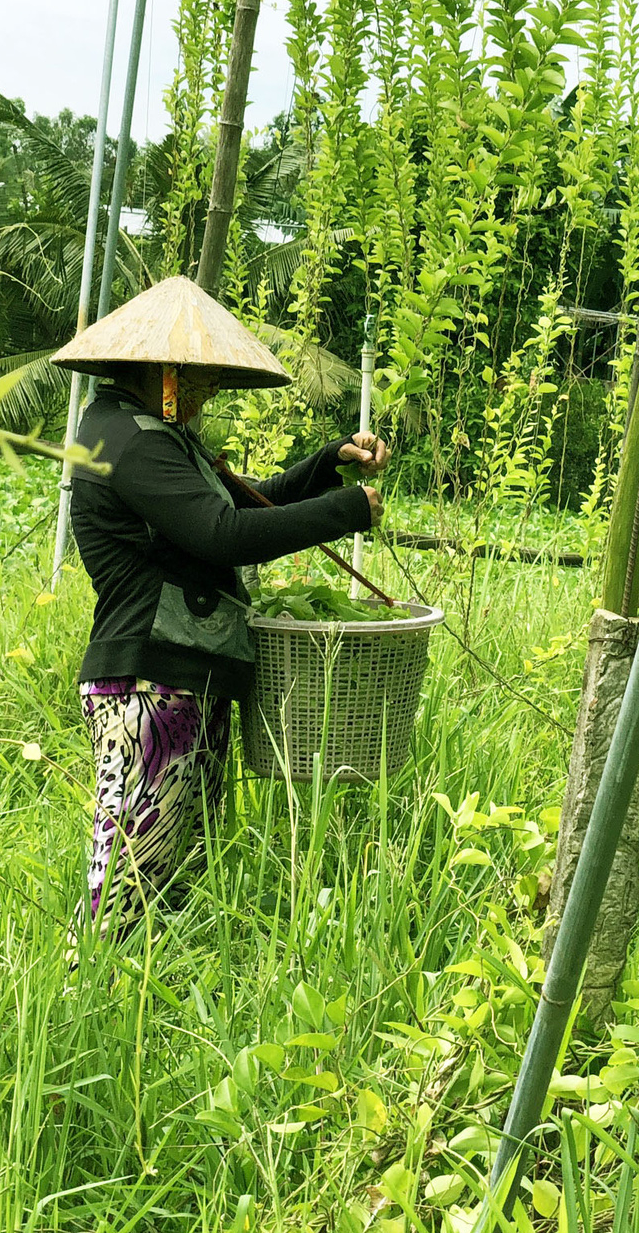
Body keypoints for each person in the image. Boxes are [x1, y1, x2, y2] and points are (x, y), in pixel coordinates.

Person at [50, 277, 389, 932]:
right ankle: (98, 996)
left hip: (181, 679)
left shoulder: (148, 433)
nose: (208, 392)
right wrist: (346, 510)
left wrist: (327, 465)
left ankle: (143, 1011)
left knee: (172, 883)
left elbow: (238, 504)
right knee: (131, 887)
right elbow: (225, 535)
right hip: (148, 688)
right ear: (162, 367)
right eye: (201, 377)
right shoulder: (134, 442)